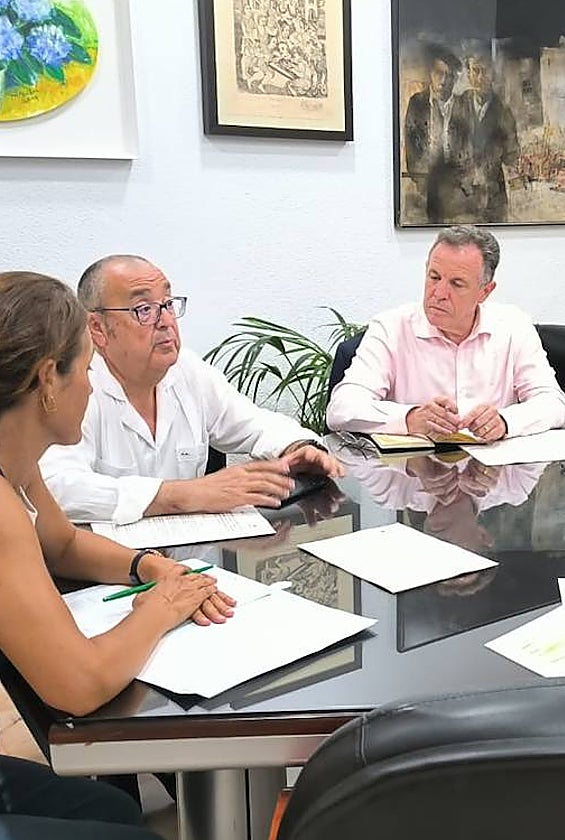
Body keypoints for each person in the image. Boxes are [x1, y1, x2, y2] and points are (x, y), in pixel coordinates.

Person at [0, 271, 228, 839]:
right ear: (47, 380)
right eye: (85, 369)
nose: (90, 385)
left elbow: (63, 544)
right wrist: (161, 607)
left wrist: (145, 565)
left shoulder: (16, 464)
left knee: (114, 810)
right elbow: (78, 684)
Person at [39, 255, 343, 525]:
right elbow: (56, 486)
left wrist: (298, 446)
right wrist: (183, 495)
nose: (166, 321)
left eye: (168, 305)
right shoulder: (76, 385)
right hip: (106, 564)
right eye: (144, 309)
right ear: (97, 328)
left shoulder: (185, 369)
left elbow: (254, 422)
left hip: (189, 559)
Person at [326, 225, 565, 439]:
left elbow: (554, 404)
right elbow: (342, 409)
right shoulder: (391, 328)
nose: (439, 293)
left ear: (485, 291)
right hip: (412, 471)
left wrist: (505, 422)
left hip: (492, 472)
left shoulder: (513, 326)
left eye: (456, 283)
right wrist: (410, 418)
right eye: (434, 277)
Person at [448, 53, 520, 223]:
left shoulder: (503, 112)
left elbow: (512, 155)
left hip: (493, 197)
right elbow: (451, 146)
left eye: (485, 71)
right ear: (469, 74)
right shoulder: (458, 105)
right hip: (463, 193)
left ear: (493, 74)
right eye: (475, 71)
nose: (480, 78)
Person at [402, 43, 464, 223]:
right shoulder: (417, 103)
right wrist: (421, 180)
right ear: (430, 74)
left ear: (455, 79)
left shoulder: (463, 106)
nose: (443, 81)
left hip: (456, 186)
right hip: (425, 182)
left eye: (449, 75)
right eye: (438, 73)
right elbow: (411, 143)